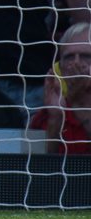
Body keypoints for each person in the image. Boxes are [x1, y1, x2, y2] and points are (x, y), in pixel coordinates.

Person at [30, 23, 91, 154]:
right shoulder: (45, 115)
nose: (76, 63)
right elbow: (38, 168)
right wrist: (55, 119)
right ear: (60, 67)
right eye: (69, 57)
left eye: (86, 56)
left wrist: (79, 103)